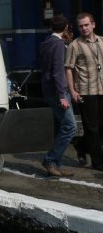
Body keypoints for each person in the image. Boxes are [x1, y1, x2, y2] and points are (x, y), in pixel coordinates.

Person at [39, 15, 77, 177]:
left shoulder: (47, 42)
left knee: (61, 126)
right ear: (65, 27)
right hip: (57, 92)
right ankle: (50, 159)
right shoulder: (59, 44)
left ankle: (57, 164)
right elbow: (58, 71)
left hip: (49, 90)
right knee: (70, 127)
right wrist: (62, 94)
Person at [65, 12, 103, 171]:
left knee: (100, 126)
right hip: (86, 90)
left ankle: (80, 144)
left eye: (87, 25)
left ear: (93, 24)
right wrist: (72, 90)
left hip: (102, 88)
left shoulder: (102, 41)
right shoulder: (74, 45)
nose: (84, 28)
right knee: (92, 127)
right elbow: (68, 68)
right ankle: (98, 162)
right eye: (81, 26)